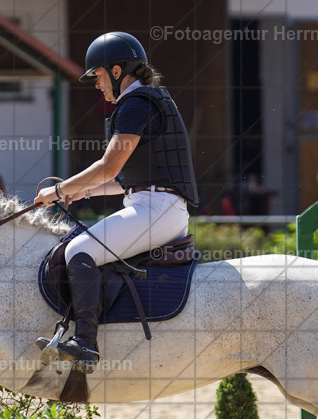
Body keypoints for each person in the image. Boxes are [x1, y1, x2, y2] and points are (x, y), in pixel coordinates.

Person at [33, 31, 198, 372]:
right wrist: (85, 191)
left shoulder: (135, 105)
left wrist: (60, 190)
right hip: (154, 205)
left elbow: (109, 166)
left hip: (156, 210)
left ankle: (86, 343)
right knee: (81, 246)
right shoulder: (143, 102)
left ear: (118, 71)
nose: (96, 84)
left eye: (98, 75)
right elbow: (122, 180)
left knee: (79, 251)